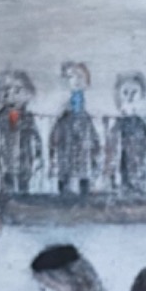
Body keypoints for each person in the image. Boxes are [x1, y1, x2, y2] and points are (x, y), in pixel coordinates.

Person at [49, 61, 102, 195]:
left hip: (84, 154)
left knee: (84, 176)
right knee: (65, 177)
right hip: (66, 151)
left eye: (80, 76)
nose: (76, 80)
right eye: (71, 77)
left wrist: (95, 154)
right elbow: (55, 138)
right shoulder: (62, 114)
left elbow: (94, 137)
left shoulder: (88, 115)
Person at [106, 71, 146, 194]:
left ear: (142, 95)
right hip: (123, 173)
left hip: (141, 173)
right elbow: (112, 150)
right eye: (125, 93)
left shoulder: (142, 124)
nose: (129, 97)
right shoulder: (118, 124)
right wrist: (111, 172)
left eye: (134, 92)